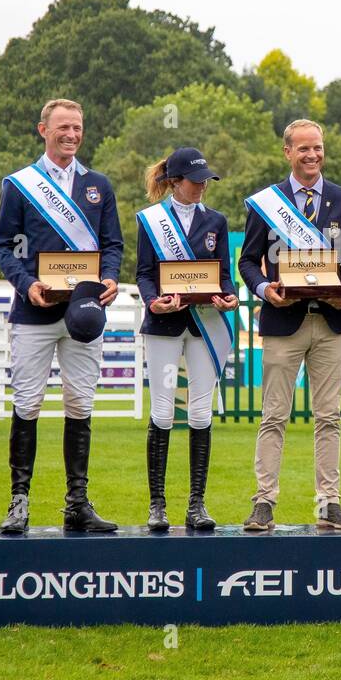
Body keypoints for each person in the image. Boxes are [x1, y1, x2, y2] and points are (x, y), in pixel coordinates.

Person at [0, 98, 124, 535]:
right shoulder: (20, 185)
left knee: (80, 404)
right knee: (28, 403)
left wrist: (109, 277)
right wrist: (26, 283)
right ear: (43, 129)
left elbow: (113, 245)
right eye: (64, 127)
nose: (72, 134)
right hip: (35, 310)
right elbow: (4, 247)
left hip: (84, 311)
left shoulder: (98, 185)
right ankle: (19, 501)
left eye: (78, 128)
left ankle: (77, 503)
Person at [238, 119, 341, 531]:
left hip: (330, 323)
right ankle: (264, 503)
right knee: (274, 416)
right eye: (304, 149)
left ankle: (329, 502)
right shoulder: (266, 203)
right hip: (282, 319)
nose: (312, 155)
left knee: (329, 417)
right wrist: (262, 289)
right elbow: (246, 261)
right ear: (287, 152)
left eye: (318, 148)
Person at [135, 147, 238, 531]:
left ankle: (197, 503)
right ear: (175, 182)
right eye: (195, 182)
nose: (201, 188)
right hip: (164, 322)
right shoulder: (151, 220)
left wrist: (229, 296)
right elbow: (144, 272)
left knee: (200, 411)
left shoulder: (217, 221)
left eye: (205, 181)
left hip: (205, 322)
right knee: (162, 411)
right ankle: (157, 504)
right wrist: (152, 301)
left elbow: (223, 272)